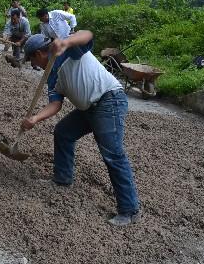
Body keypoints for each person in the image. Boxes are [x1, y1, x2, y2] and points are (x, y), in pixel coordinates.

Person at [21, 31, 140, 226]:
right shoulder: (51, 77)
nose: (33, 65)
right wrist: (35, 118)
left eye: (31, 60)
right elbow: (55, 104)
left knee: (112, 154)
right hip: (87, 109)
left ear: (38, 54)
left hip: (108, 100)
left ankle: (129, 210)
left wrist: (66, 42)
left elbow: (88, 34)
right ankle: (62, 178)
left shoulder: (69, 51)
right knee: (63, 132)